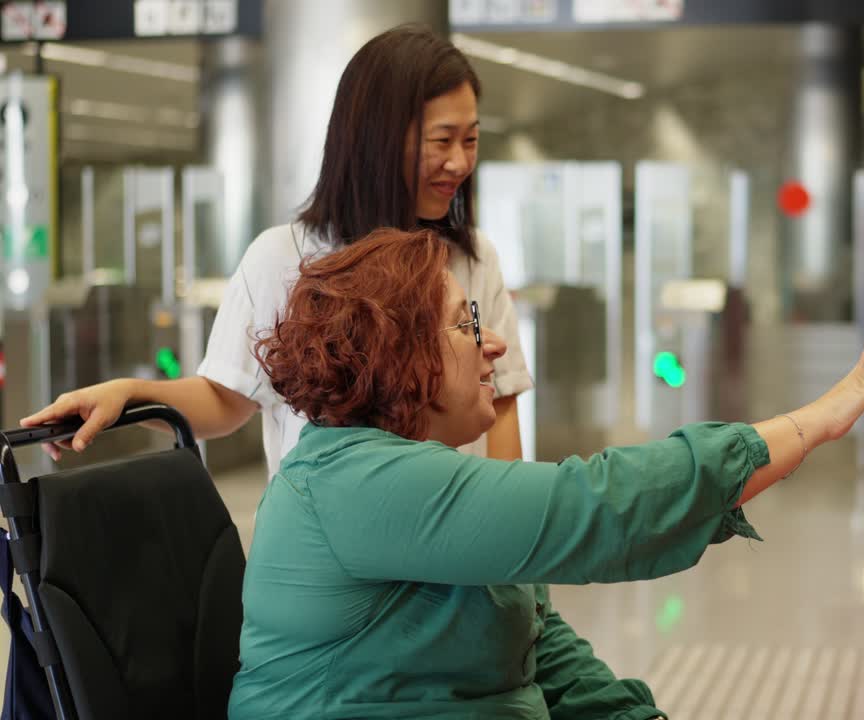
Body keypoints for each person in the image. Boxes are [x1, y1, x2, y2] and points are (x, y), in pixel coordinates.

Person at [224, 227, 864, 719]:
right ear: (401, 357)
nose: (491, 343)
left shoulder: (409, 475)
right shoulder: (357, 483)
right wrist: (817, 421)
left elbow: (537, 642)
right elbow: (596, 509)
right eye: (466, 324)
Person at [20, 24, 531, 469]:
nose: (460, 163)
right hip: (331, 555)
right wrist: (132, 393)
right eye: (442, 141)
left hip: (456, 552)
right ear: (377, 138)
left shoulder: (473, 258)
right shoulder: (284, 258)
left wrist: (513, 544)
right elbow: (225, 398)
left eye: (471, 139)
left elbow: (501, 401)